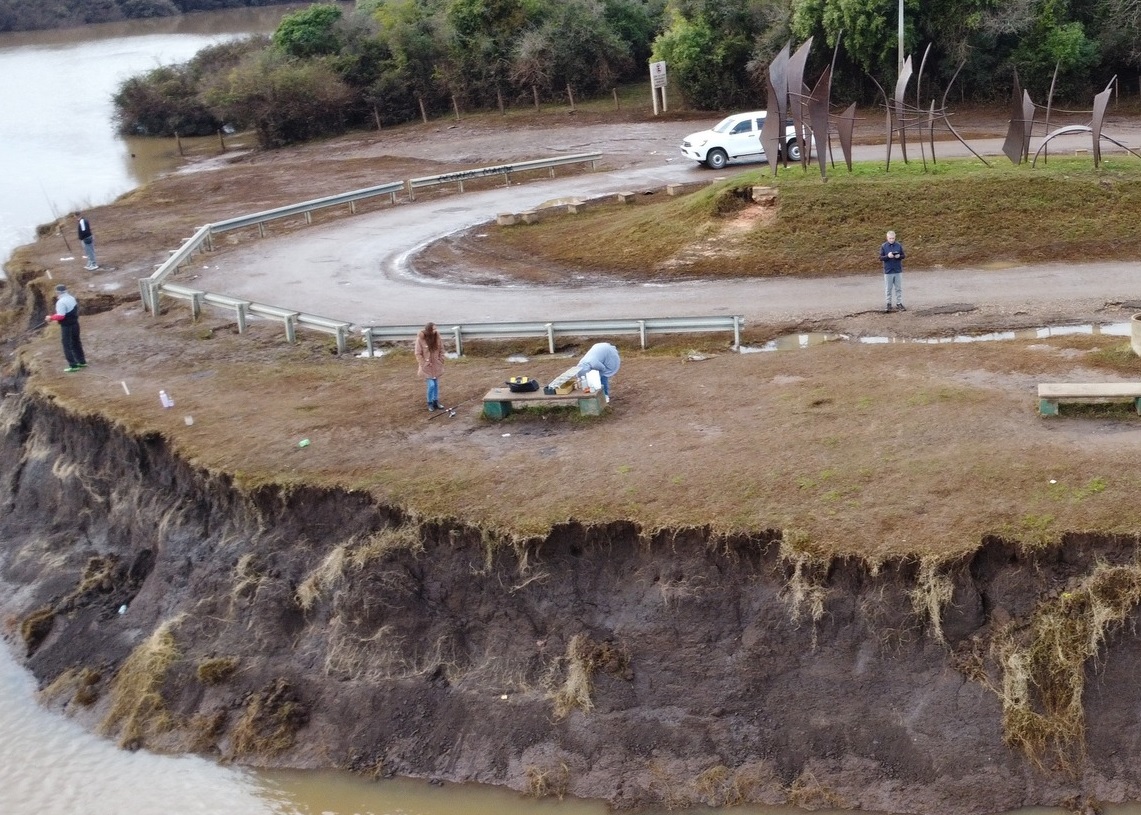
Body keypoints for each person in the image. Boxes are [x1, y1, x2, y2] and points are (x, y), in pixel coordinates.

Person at [47, 283, 87, 373]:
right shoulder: (71, 298)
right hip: (75, 324)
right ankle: (82, 361)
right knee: (76, 342)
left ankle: (73, 365)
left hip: (67, 326)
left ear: (58, 292)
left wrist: (50, 318)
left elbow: (61, 316)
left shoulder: (61, 302)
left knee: (67, 345)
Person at [414, 321, 445, 411]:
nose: (435, 331)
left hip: (436, 365)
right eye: (433, 329)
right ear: (429, 330)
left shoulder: (437, 337)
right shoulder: (420, 339)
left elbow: (442, 349)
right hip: (426, 367)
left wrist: (441, 359)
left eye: (436, 329)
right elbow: (418, 353)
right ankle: (429, 403)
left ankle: (436, 401)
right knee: (431, 385)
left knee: (435, 384)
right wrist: (424, 363)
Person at [879, 230, 905, 313]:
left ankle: (899, 303)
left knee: (898, 288)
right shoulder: (884, 246)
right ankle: (888, 303)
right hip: (888, 270)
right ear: (887, 238)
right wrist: (888, 256)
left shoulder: (898, 245)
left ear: (895, 238)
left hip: (897, 270)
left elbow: (903, 255)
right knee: (888, 289)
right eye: (890, 238)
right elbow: (880, 258)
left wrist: (899, 256)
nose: (891, 240)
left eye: (893, 238)